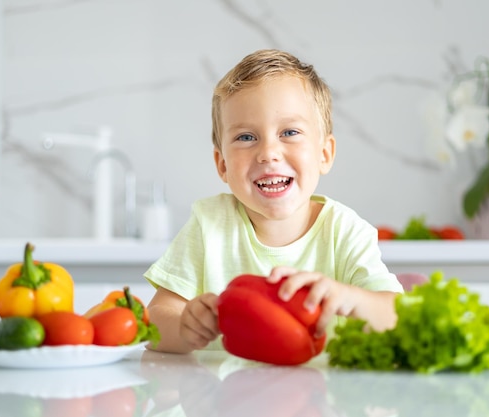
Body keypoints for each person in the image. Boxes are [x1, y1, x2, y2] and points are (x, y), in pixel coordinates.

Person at [144, 49, 403, 353]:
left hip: (324, 396)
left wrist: (350, 297)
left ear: (324, 153)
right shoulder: (209, 224)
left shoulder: (345, 231)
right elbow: (155, 321)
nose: (268, 152)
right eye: (246, 137)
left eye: (289, 132)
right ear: (222, 164)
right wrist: (183, 327)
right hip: (223, 396)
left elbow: (397, 317)